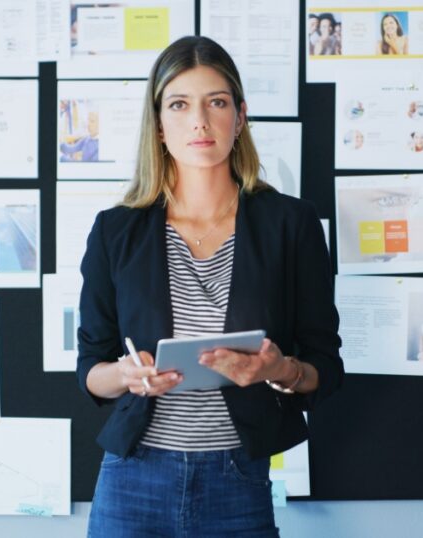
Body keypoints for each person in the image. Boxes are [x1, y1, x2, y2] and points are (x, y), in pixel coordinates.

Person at [77, 36, 343, 537]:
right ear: (158, 125)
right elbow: (90, 370)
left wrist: (279, 368)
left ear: (239, 117)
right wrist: (128, 375)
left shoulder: (292, 224)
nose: (199, 121)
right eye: (179, 104)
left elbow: (325, 369)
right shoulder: (116, 231)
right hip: (132, 478)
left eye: (216, 102)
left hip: (237, 478)